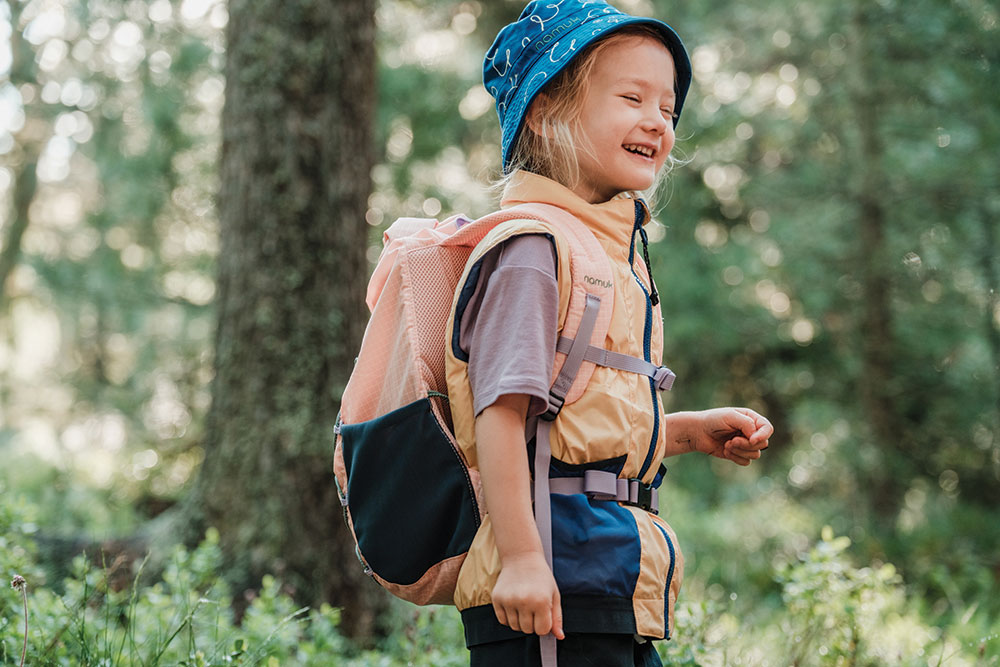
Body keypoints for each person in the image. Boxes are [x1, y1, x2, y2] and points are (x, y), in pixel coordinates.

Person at [443, 2, 773, 665]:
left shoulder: (603, 255)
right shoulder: (533, 251)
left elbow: (571, 428)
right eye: (632, 97)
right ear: (544, 112)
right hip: (550, 590)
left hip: (606, 573)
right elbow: (501, 419)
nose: (658, 120)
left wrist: (686, 431)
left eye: (668, 108)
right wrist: (524, 561)